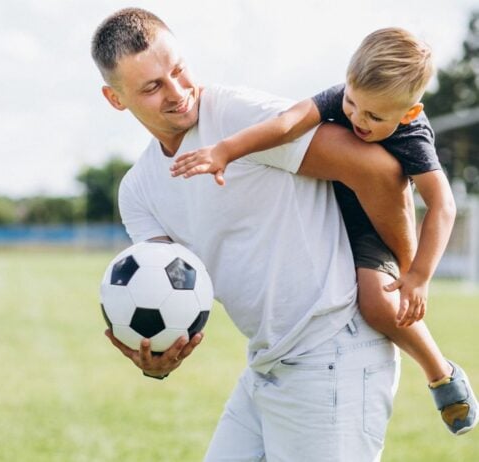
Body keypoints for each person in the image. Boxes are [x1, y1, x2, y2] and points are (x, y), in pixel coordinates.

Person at [92, 9, 417, 461]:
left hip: (335, 354)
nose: (178, 92)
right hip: (267, 364)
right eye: (152, 87)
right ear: (116, 98)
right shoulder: (139, 190)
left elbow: (378, 170)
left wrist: (410, 272)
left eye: (179, 70)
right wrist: (158, 355)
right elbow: (166, 284)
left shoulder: (234, 115)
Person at [170, 27, 479, 436]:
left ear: (407, 113)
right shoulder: (341, 97)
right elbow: (286, 123)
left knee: (378, 303)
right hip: (321, 215)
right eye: (352, 104)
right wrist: (225, 150)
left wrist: (419, 276)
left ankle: (440, 372)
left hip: (368, 231)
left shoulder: (413, 134)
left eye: (374, 116)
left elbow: (443, 205)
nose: (357, 119)